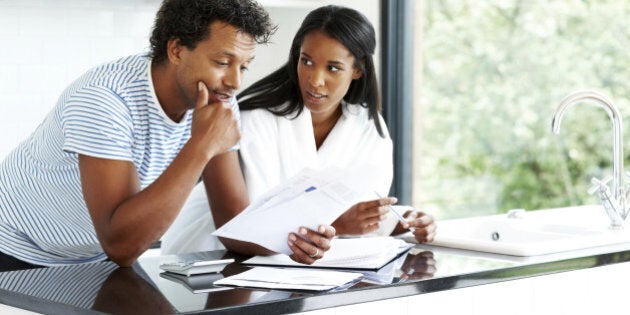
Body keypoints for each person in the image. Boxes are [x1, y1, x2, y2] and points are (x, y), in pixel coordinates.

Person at [0, 0, 335, 271]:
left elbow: (234, 224)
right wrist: (200, 146)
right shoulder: (104, 100)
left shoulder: (218, 98)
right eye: (222, 61)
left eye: (243, 66)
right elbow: (122, 246)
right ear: (176, 50)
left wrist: (291, 241)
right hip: (17, 248)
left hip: (92, 255)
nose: (234, 82)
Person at [162, 5, 436, 256]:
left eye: (333, 68)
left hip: (301, 267)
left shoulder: (368, 126)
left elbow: (362, 211)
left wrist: (403, 220)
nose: (315, 80)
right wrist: (337, 224)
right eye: (306, 61)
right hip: (212, 256)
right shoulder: (255, 119)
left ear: (357, 70)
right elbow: (250, 227)